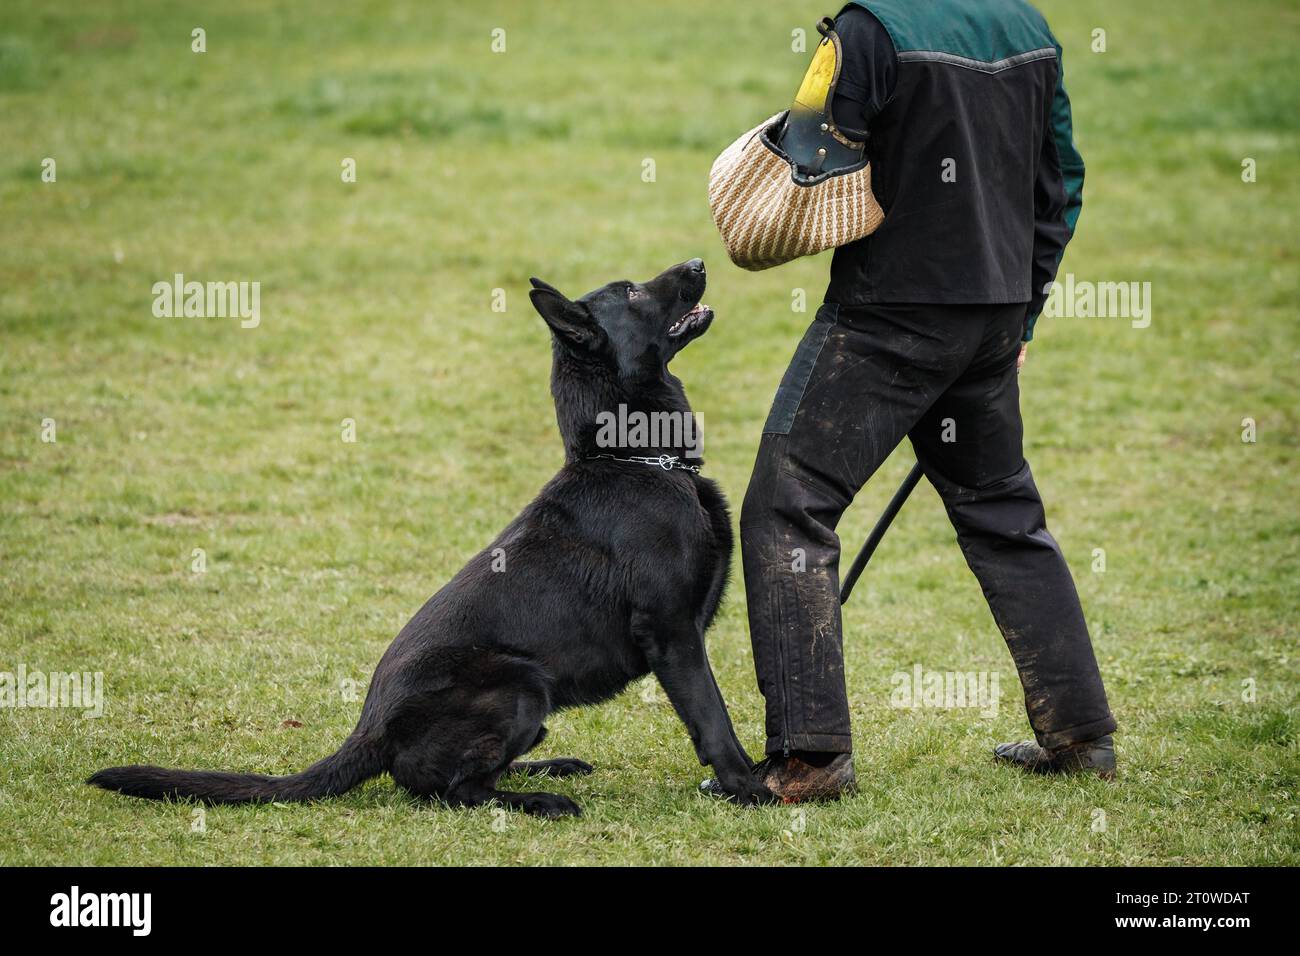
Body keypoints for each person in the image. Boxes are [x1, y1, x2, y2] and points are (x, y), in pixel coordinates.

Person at [708, 0, 1117, 803]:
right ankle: (1082, 735)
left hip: (890, 313)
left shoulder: (868, 29)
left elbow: (811, 152)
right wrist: (1021, 311)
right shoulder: (1027, 26)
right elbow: (1060, 177)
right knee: (1003, 512)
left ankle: (810, 758)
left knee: (789, 506)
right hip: (992, 314)